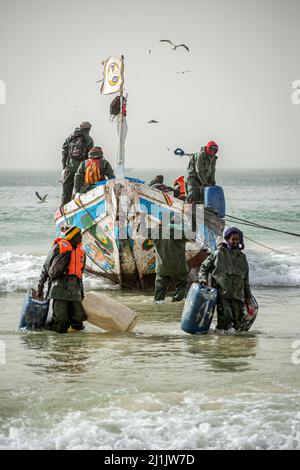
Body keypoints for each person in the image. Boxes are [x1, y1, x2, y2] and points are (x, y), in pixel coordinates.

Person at [198, 227, 253, 331]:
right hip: (222, 293)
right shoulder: (218, 253)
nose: (236, 241)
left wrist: (248, 298)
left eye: (238, 239)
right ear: (228, 239)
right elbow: (204, 267)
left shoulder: (242, 258)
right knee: (226, 316)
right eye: (233, 239)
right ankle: (219, 338)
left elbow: (246, 280)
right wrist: (202, 279)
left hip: (237, 295)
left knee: (238, 323)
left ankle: (231, 344)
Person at [37, 226, 87, 333]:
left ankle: (73, 344)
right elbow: (46, 266)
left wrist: (81, 292)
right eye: (79, 235)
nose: (81, 237)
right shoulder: (58, 247)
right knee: (61, 320)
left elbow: (80, 274)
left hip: (75, 292)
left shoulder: (81, 252)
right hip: (59, 290)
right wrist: (40, 285)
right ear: (72, 237)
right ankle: (59, 344)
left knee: (79, 318)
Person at [140, 216, 191, 303]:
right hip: (179, 268)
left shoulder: (156, 232)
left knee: (159, 293)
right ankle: (176, 301)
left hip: (162, 268)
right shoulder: (181, 234)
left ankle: (158, 306)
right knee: (182, 285)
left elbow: (143, 231)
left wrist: (158, 225)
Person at [61, 121, 94, 205]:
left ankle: (63, 210)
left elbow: (64, 152)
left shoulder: (70, 137)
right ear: (88, 129)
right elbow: (90, 157)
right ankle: (79, 208)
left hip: (69, 169)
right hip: (82, 171)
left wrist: (64, 166)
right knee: (80, 192)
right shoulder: (89, 139)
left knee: (66, 192)